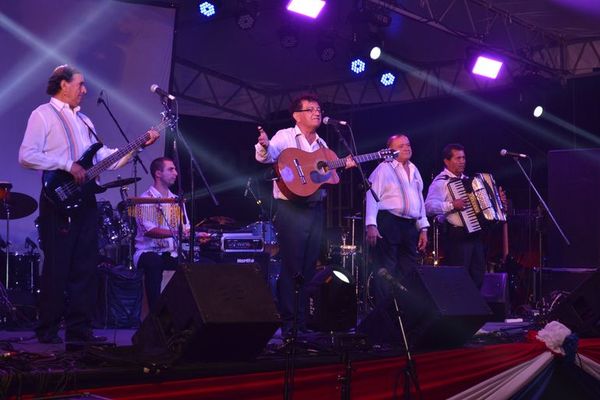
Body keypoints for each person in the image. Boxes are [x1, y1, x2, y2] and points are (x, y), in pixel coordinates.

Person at [19, 64, 159, 344]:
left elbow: (102, 159)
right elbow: (26, 155)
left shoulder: (85, 122)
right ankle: (47, 330)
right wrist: (66, 164)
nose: (85, 90)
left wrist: (139, 145)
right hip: (57, 200)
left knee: (86, 266)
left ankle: (79, 331)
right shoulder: (42, 115)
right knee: (58, 267)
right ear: (63, 84)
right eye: (80, 84)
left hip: (84, 201)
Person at [254, 94, 354, 336]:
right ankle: (289, 326)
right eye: (310, 109)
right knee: (292, 267)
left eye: (319, 109)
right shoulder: (285, 136)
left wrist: (344, 165)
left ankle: (302, 323)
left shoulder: (323, 147)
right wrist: (264, 146)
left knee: (309, 268)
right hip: (291, 209)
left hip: (314, 210)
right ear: (297, 116)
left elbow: (329, 177)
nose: (317, 113)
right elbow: (267, 158)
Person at [365, 134, 429, 305]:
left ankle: (405, 311)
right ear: (390, 150)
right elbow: (371, 195)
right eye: (401, 146)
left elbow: (419, 199)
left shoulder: (414, 169)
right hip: (389, 222)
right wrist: (371, 224)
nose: (406, 148)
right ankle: (384, 312)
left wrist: (423, 228)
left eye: (408, 144)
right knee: (387, 269)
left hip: (409, 226)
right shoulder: (383, 169)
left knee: (409, 270)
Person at [424, 143, 486, 287]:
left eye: (463, 158)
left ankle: (474, 308)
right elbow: (428, 207)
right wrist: (451, 205)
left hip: (475, 234)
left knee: (478, 275)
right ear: (447, 161)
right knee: (460, 279)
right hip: (456, 236)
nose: (462, 161)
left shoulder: (469, 181)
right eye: (458, 158)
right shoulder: (441, 182)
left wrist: (497, 203)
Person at [133, 157, 190, 311]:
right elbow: (149, 231)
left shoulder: (177, 200)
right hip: (147, 252)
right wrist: (177, 233)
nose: (176, 173)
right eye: (171, 169)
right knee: (154, 263)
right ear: (158, 173)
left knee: (199, 264)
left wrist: (196, 234)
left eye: (175, 169)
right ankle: (155, 316)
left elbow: (186, 228)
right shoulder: (145, 200)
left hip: (171, 253)